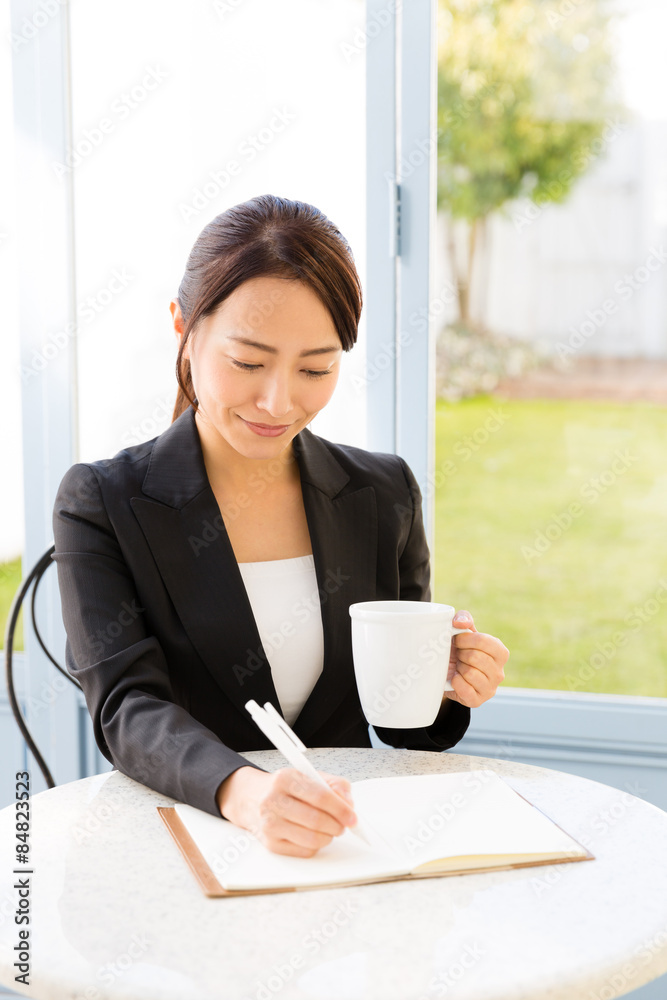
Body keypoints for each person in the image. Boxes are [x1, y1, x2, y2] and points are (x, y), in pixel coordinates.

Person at [52, 194, 508, 859]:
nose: (278, 401)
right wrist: (245, 792)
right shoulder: (102, 500)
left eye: (315, 369)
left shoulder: (381, 494)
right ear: (184, 326)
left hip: (343, 847)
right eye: (247, 362)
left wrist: (444, 684)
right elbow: (127, 708)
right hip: (185, 843)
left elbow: (408, 730)